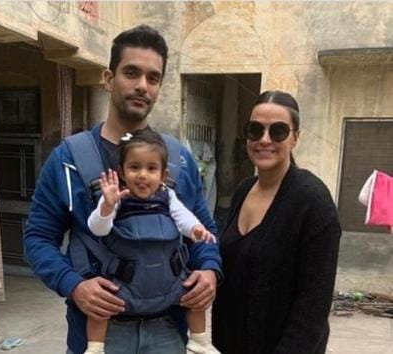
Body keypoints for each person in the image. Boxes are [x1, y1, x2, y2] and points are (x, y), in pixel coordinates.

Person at [23, 25, 222, 354]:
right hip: (101, 332)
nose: (142, 86)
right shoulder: (68, 159)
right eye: (132, 73)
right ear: (108, 78)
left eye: (153, 78)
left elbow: (202, 228)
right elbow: (38, 237)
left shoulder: (178, 159)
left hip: (170, 329)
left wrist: (210, 270)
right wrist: (73, 285)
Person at [211, 90, 342, 354]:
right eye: (255, 130)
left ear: (295, 138)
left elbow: (312, 307)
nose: (264, 140)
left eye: (278, 131)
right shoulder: (243, 190)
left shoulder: (312, 200)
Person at [85, 128, 219, 354]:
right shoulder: (117, 197)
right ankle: (95, 348)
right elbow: (97, 228)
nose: (143, 175)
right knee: (101, 307)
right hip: (127, 281)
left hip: (167, 280)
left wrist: (196, 229)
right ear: (122, 172)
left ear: (163, 175)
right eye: (135, 167)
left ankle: (199, 340)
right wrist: (106, 206)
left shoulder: (167, 195)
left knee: (195, 296)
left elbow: (183, 217)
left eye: (151, 168)